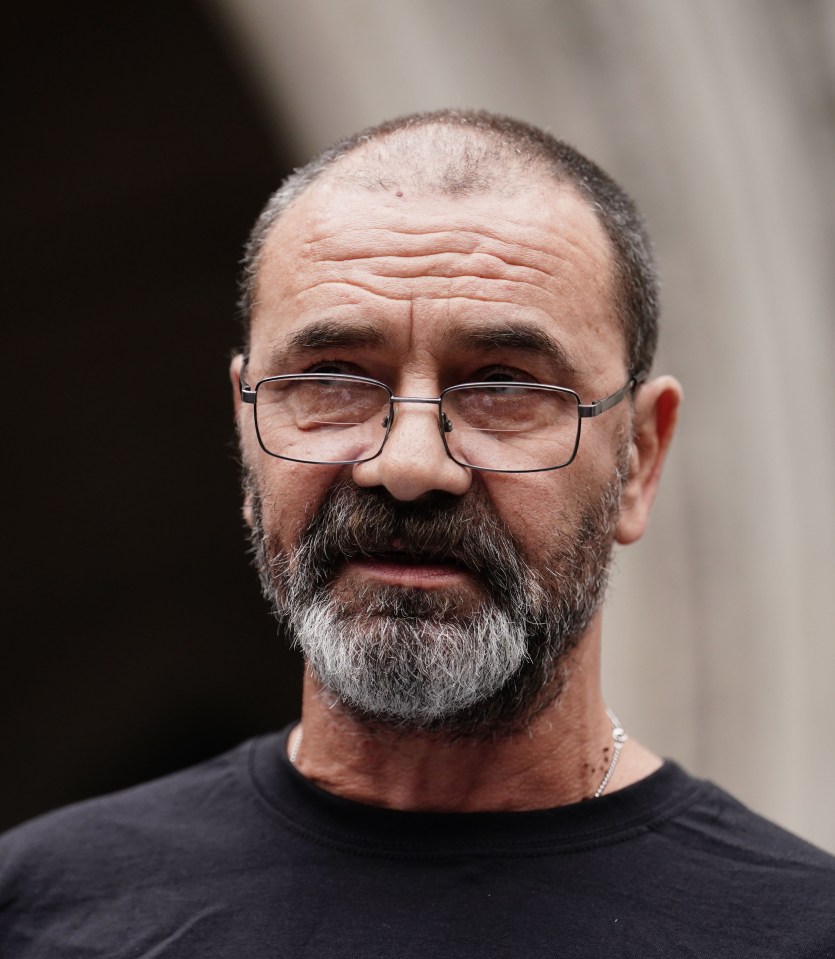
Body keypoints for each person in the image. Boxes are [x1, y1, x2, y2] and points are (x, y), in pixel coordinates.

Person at [1, 110, 833, 958]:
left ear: (640, 460)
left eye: (505, 386)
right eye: (331, 378)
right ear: (245, 428)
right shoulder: (37, 911)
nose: (408, 464)